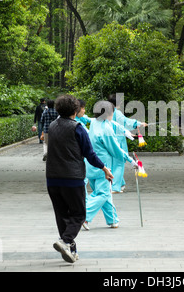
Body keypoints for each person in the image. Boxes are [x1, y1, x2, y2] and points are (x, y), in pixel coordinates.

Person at [46, 94, 113, 263]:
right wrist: (104, 168)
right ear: (75, 110)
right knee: (79, 213)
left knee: (62, 215)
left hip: (52, 178)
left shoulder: (52, 126)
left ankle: (70, 248)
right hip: (72, 177)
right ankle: (66, 241)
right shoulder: (78, 128)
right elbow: (89, 154)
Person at [83, 101, 137, 230]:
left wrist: (124, 131)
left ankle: (112, 220)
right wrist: (130, 160)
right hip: (103, 167)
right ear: (107, 113)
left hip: (91, 165)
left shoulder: (95, 123)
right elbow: (115, 149)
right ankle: (84, 216)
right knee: (102, 193)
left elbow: (112, 123)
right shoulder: (106, 129)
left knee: (105, 193)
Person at [108, 94, 147, 193]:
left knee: (114, 163)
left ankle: (120, 184)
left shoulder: (107, 112)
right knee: (119, 163)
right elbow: (126, 122)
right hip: (118, 140)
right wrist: (139, 123)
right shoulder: (117, 113)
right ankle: (116, 186)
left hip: (110, 140)